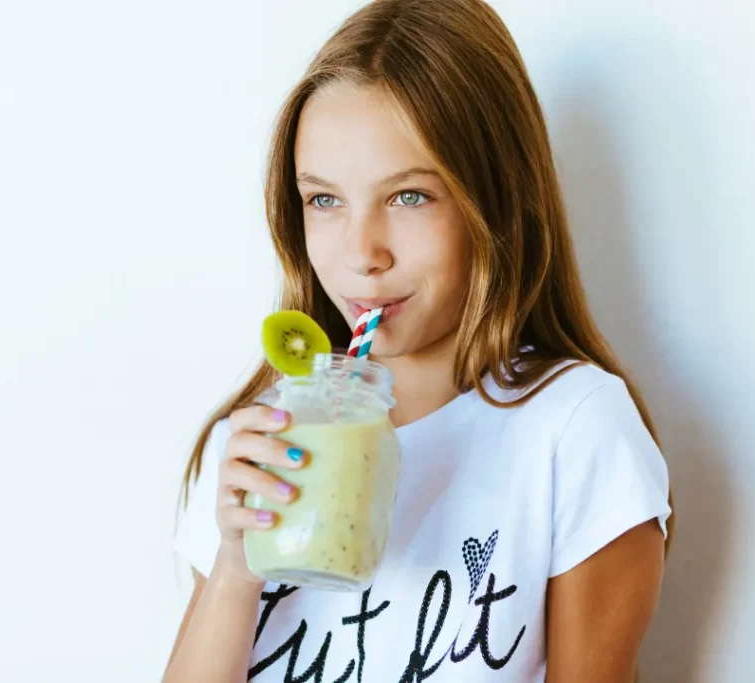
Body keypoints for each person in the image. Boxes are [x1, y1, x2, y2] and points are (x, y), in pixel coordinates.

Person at [164, 0, 674, 680]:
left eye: (408, 196)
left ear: (494, 200)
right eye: (324, 199)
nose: (361, 252)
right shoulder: (264, 439)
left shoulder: (573, 431)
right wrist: (234, 564)